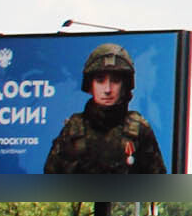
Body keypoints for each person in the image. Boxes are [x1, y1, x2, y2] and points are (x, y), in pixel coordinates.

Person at [43, 43, 166, 174]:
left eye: (115, 80)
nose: (107, 89)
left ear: (125, 86)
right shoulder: (73, 130)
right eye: (100, 80)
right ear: (90, 86)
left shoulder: (139, 130)